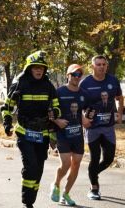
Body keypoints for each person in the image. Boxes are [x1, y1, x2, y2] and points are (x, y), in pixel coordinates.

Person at [1, 50, 62, 208]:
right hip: (24, 132)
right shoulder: (20, 84)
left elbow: (57, 107)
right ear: (29, 68)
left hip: (43, 134)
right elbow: (7, 107)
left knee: (39, 170)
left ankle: (30, 200)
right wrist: (7, 124)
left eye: (41, 67)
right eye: (35, 67)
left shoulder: (48, 86)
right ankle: (27, 203)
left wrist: (54, 113)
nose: (39, 70)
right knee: (31, 167)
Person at [80, 55, 123, 200]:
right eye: (98, 64)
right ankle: (94, 188)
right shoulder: (85, 83)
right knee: (95, 157)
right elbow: (78, 102)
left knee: (109, 158)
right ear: (92, 66)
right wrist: (83, 118)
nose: (101, 67)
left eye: (104, 64)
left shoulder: (112, 80)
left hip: (108, 127)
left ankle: (92, 173)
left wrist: (119, 113)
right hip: (92, 127)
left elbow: (119, 97)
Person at [49, 64, 87, 206]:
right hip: (63, 134)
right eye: (74, 74)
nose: (77, 77)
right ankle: (56, 183)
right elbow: (50, 111)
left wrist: (87, 118)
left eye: (79, 75)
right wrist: (57, 121)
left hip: (77, 134)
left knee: (76, 164)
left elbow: (87, 109)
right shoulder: (59, 92)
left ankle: (66, 194)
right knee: (65, 164)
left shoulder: (83, 93)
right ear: (68, 75)